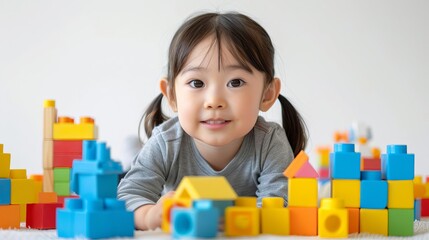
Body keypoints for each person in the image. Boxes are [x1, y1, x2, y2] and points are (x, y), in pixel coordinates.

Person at [117, 11, 307, 231]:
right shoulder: (165, 143)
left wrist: (231, 221)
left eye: (235, 82)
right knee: (124, 171)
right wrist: (149, 215)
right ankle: (132, 152)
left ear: (267, 94)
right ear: (171, 96)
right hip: (156, 157)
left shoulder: (270, 142)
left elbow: (278, 204)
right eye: (197, 83)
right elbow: (128, 196)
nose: (214, 101)